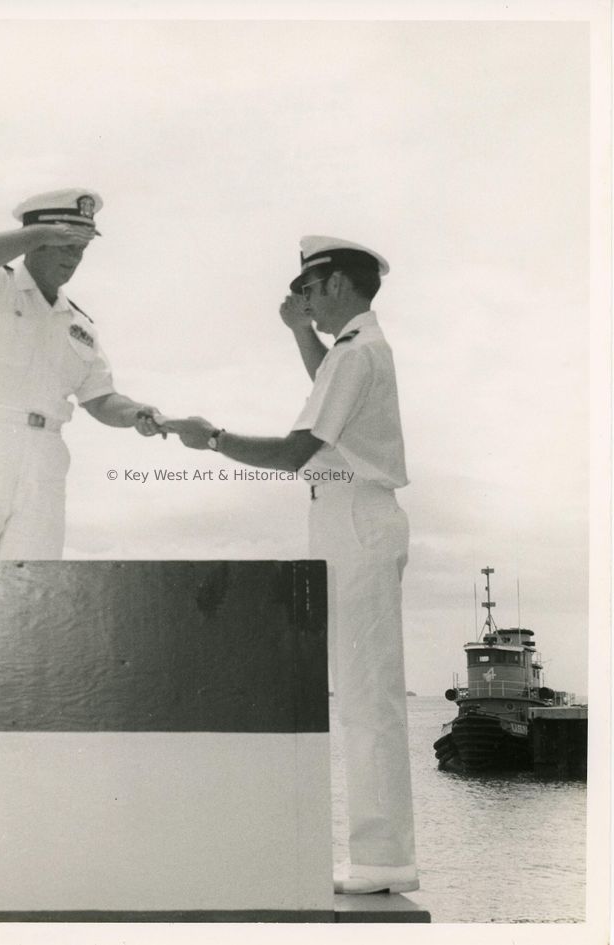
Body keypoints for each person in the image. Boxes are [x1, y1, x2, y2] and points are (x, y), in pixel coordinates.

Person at [166, 236, 418, 895]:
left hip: (353, 513)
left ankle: (383, 857)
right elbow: (330, 400)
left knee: (367, 695)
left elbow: (297, 452)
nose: (299, 299)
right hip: (348, 513)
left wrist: (214, 439)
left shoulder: (358, 351)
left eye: (306, 288)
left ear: (336, 284)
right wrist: (301, 334)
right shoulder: (355, 351)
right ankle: (381, 851)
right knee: (363, 689)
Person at [0, 188, 163, 560]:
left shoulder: (79, 324)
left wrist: (138, 413)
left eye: (81, 249)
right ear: (35, 241)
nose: (75, 257)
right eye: (66, 244)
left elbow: (100, 398)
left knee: (33, 586)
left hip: (45, 458)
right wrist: (41, 233)